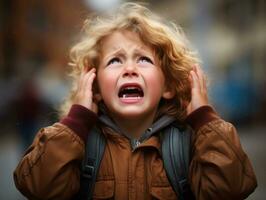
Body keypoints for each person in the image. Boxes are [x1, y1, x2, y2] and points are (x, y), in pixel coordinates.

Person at [13, 3, 257, 200]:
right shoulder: (78, 145)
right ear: (95, 87)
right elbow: (37, 187)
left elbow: (232, 189)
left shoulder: (191, 145)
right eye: (115, 61)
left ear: (169, 87)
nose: (129, 68)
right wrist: (76, 121)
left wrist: (205, 119)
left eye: (143, 60)